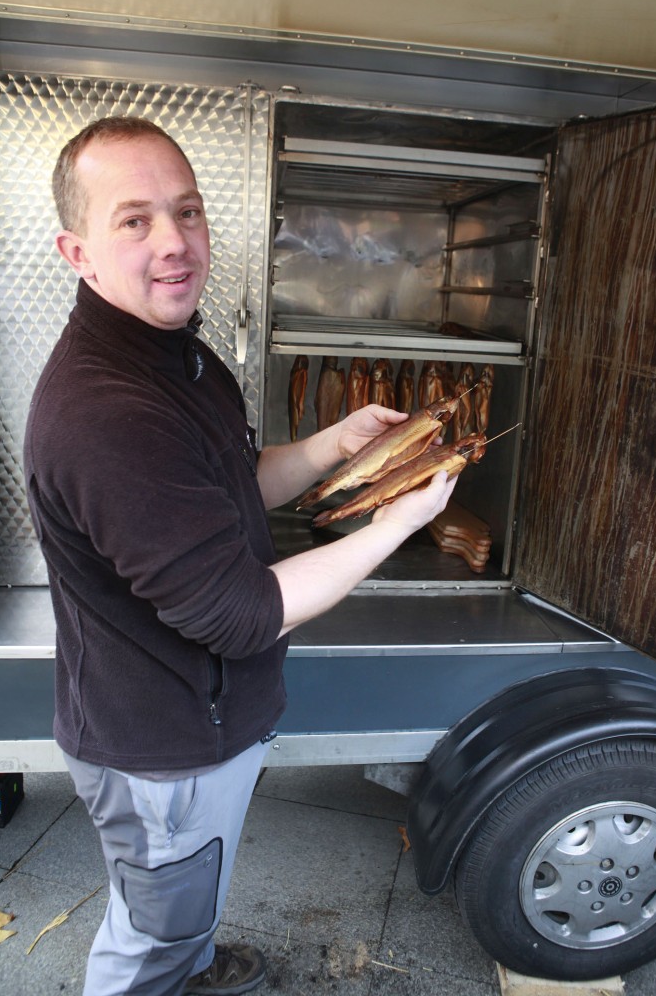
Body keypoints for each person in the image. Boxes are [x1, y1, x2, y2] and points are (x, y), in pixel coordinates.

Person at [23, 116, 457, 996]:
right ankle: (169, 967)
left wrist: (333, 446)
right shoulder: (108, 411)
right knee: (147, 933)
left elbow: (233, 486)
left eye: (187, 211)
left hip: (201, 722)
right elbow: (238, 611)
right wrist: (394, 522)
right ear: (77, 252)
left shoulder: (176, 355)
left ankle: (190, 958)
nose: (174, 242)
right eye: (135, 220)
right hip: (163, 745)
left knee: (183, 895)